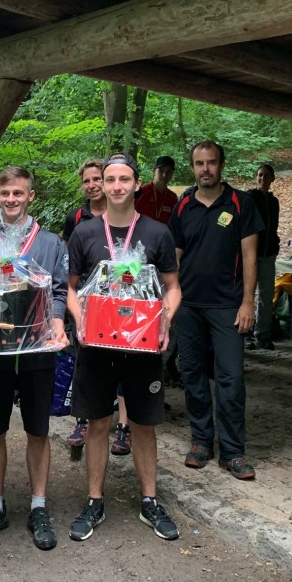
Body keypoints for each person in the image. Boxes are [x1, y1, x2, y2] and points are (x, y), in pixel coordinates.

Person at [65, 153, 182, 542]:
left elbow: (172, 287)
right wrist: (81, 322)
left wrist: (164, 320)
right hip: (96, 345)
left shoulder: (157, 232)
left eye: (124, 179)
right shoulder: (84, 233)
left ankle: (150, 500)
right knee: (98, 423)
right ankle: (94, 501)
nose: (116, 186)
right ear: (102, 184)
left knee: (143, 424)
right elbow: (71, 289)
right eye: (110, 179)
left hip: (142, 344)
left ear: (136, 185)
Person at [0, 166, 69, 550]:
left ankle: (39, 506)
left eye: (18, 193)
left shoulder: (50, 243)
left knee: (38, 430)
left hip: (38, 351)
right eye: (5, 193)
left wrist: (58, 324)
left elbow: (58, 291)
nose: (11, 199)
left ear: (30, 196)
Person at [169, 141, 263, 478]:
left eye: (211, 162)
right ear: (192, 167)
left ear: (221, 165)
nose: (205, 169)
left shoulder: (241, 203)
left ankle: (233, 452)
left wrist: (248, 302)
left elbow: (250, 256)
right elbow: (174, 257)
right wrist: (169, 299)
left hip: (228, 306)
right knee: (192, 375)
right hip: (189, 306)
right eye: (199, 163)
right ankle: (201, 442)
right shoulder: (183, 205)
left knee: (231, 378)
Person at [62, 157, 131, 456]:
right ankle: (83, 421)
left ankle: (124, 427)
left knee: (126, 363)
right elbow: (70, 263)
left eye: (96, 179)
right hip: (87, 306)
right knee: (86, 366)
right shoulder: (77, 218)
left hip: (123, 302)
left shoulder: (125, 214)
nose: (92, 185)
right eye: (86, 181)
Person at [248, 164, 280, 350]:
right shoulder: (249, 198)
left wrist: (275, 245)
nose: (262, 178)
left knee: (266, 297)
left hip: (269, 254)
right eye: (260, 175)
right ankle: (244, 334)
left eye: (266, 176)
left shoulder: (274, 202)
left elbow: (273, 226)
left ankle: (263, 335)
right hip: (251, 255)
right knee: (247, 295)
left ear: (272, 179)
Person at [135, 155, 178, 224]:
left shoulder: (173, 198)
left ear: (172, 174)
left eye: (168, 172)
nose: (164, 175)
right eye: (161, 171)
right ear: (154, 171)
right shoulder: (141, 193)